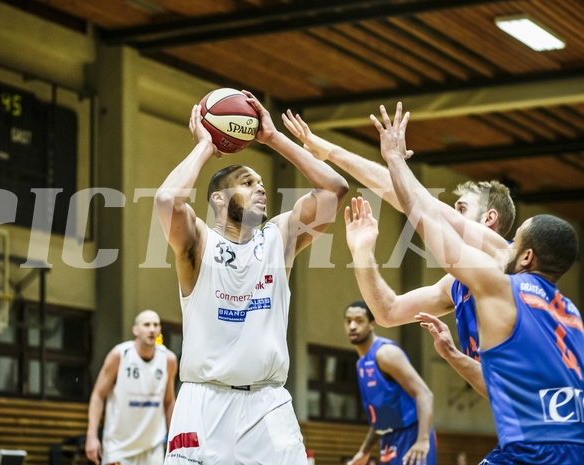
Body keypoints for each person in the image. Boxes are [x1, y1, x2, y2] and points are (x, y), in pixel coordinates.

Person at [347, 102, 584, 462]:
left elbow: (427, 219)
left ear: (525, 257)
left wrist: (394, 158)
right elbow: (499, 387)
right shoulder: (570, 316)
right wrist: (455, 356)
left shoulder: (504, 286)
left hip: (531, 450)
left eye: (515, 239)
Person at [155, 91, 348, 465]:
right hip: (203, 402)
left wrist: (273, 137)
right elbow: (167, 201)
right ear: (218, 201)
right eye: (247, 182)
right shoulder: (197, 242)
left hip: (268, 402)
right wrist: (206, 147)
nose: (261, 187)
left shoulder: (280, 238)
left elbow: (334, 190)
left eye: (261, 182)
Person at [283, 111, 515, 397]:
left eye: (462, 209)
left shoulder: (507, 258)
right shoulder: (455, 285)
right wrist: (362, 254)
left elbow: (418, 205)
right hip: (513, 410)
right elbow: (387, 312)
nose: (452, 215)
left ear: (490, 218)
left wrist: (332, 152)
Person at [344, 301, 436, 465]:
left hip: (412, 433)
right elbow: (380, 416)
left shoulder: (386, 353)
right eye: (348, 320)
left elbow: (425, 394)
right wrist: (364, 452)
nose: (352, 326)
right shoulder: (361, 364)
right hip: (388, 438)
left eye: (359, 320)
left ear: (372, 324)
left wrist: (422, 440)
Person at [85, 310, 178, 465]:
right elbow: (98, 395)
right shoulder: (119, 355)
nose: (151, 329)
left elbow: (169, 401)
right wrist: (91, 435)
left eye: (155, 325)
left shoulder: (169, 360)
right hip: (118, 447)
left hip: (152, 448)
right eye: (146, 324)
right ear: (136, 330)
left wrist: (175, 439)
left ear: (160, 330)